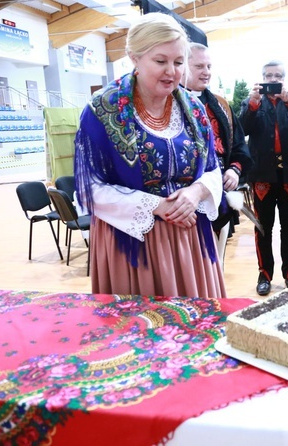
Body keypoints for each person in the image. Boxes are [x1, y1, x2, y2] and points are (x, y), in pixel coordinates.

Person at [74, 13, 226, 298]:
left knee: (195, 327)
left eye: (179, 62)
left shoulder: (193, 107)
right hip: (132, 244)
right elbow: (89, 190)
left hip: (189, 238)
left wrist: (195, 192)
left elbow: (213, 168)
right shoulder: (101, 111)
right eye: (160, 61)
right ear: (134, 57)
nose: (172, 71)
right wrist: (153, 206)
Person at [182, 42, 253, 268]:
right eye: (199, 66)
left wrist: (234, 169)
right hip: (185, 201)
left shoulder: (221, 105)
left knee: (215, 265)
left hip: (219, 195)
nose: (207, 72)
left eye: (209, 66)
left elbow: (240, 147)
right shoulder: (168, 102)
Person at [240, 61, 288, 295]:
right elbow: (242, 129)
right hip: (262, 175)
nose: (272, 79)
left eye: (277, 75)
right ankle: (264, 274)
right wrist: (252, 104)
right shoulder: (252, 103)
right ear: (262, 78)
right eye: (268, 75)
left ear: (283, 79)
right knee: (262, 227)